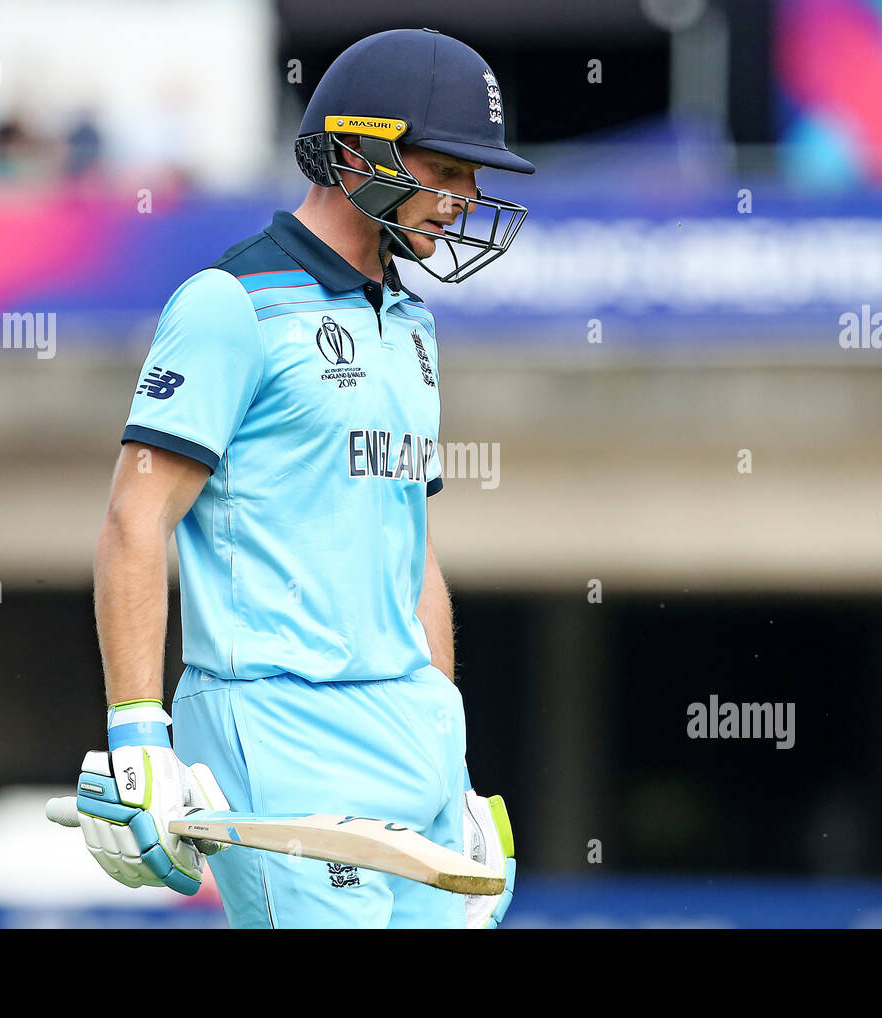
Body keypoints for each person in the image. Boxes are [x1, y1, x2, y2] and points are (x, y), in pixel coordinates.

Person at [54, 28, 532, 928]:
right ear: (358, 150)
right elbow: (136, 519)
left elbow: (412, 549)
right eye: (447, 170)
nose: (465, 202)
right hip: (278, 728)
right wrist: (137, 732)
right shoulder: (228, 303)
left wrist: (451, 750)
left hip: (412, 730)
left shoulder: (413, 326)